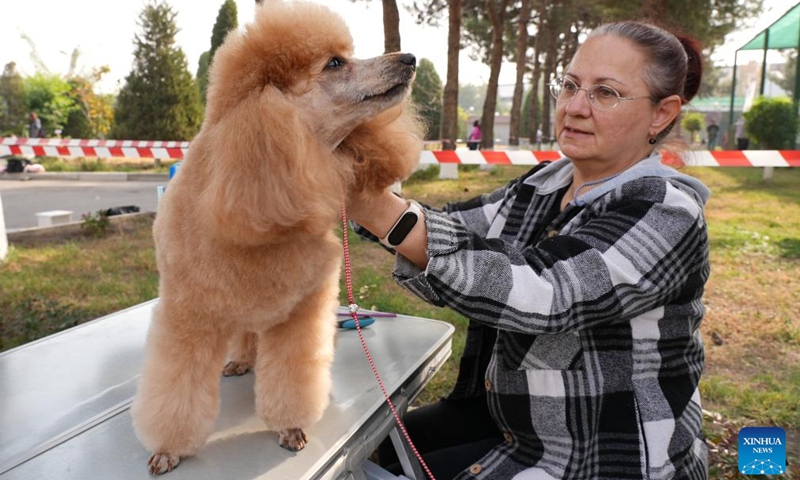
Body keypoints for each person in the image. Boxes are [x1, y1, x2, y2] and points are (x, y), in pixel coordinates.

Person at [348, 20, 710, 480]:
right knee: (379, 445)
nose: (575, 107)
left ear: (662, 114)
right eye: (571, 85)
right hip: (518, 420)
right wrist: (358, 195)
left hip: (604, 454)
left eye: (606, 94)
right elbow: (452, 226)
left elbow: (542, 294)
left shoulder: (667, 212)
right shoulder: (545, 184)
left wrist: (371, 205)